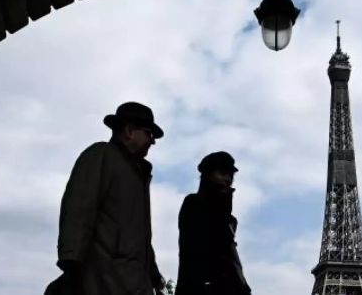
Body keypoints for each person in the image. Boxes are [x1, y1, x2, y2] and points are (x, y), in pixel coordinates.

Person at [46, 102, 167, 295]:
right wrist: (72, 264)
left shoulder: (138, 174)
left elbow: (141, 236)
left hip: (133, 282)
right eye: (148, 133)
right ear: (129, 131)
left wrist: (153, 275)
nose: (152, 141)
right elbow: (79, 209)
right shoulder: (101, 155)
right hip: (104, 281)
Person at [175, 151, 252, 295]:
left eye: (231, 175)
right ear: (207, 175)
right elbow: (199, 251)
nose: (228, 179)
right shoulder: (193, 204)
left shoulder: (228, 219)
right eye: (223, 173)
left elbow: (230, 259)